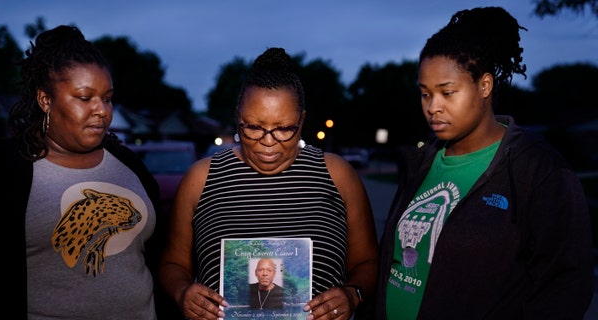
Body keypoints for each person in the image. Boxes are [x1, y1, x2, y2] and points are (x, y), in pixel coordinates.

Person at [375, 6, 594, 320]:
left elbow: (566, 284)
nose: (433, 107)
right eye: (425, 94)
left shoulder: (538, 169)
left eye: (447, 93)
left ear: (485, 85)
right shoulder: (419, 163)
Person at [0, 25, 180, 319]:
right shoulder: (1, 172)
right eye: (84, 98)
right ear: (46, 100)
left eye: (107, 98)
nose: (102, 110)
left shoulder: (130, 164)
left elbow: (158, 258)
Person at [159, 47, 379, 320]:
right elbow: (172, 263)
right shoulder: (201, 179)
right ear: (237, 117)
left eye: (284, 128)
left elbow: (368, 262)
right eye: (252, 127)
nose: (268, 141)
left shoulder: (336, 175)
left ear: (301, 121)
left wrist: (353, 294)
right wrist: (182, 292)